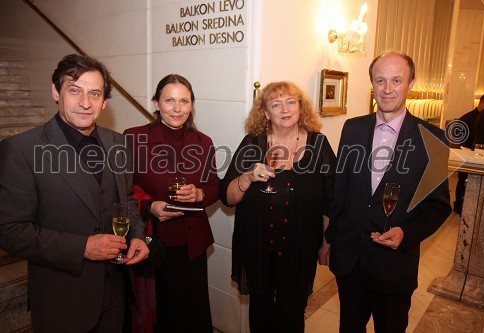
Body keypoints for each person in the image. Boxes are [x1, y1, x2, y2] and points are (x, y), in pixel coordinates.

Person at [0, 54, 149, 332]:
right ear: (56, 92)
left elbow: (126, 199)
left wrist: (137, 235)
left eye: (95, 93)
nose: (85, 102)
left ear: (104, 102)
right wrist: (83, 248)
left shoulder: (117, 142)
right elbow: (10, 231)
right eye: (74, 90)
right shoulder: (20, 150)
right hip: (62, 300)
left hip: (115, 292)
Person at [325, 51, 451, 333]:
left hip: (394, 267)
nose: (388, 88)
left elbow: (438, 206)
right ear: (372, 83)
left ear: (411, 83)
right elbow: (339, 190)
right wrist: (329, 239)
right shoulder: (353, 128)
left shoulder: (432, 138)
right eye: (380, 80)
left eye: (396, 80)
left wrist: (406, 233)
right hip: (351, 262)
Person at [220, 81, 336, 332]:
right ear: (265, 113)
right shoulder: (253, 143)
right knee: (260, 310)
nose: (285, 109)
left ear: (300, 107)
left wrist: (327, 241)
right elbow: (228, 197)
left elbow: (331, 199)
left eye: (291, 102)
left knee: (292, 313)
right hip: (258, 246)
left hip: (300, 247)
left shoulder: (319, 144)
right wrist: (248, 177)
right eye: (276, 104)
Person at [124, 74, 219, 332]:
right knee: (161, 315)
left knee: (192, 314)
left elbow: (214, 186)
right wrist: (150, 206)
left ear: (191, 105)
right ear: (156, 103)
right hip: (154, 242)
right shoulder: (134, 138)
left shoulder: (203, 142)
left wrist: (200, 194)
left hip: (193, 244)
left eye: (184, 101)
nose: (177, 109)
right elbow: (122, 189)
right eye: (169, 100)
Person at [453, 93, 484, 214]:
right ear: (483, 103)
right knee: (463, 180)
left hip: (479, 154)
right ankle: (459, 204)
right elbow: (458, 137)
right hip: (466, 152)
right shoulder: (468, 118)